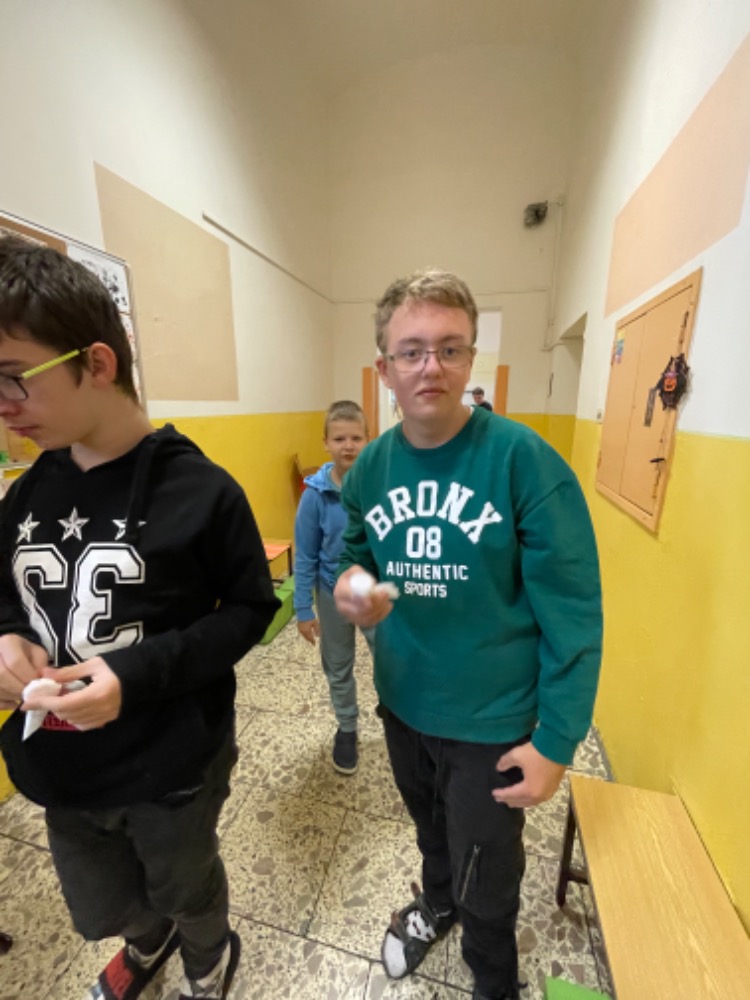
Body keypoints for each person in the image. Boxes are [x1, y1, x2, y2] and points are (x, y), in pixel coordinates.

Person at [0, 236, 280, 1000]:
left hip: (172, 768)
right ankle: (147, 940)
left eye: (15, 377)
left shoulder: (203, 493)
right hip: (63, 771)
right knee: (102, 906)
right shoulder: (26, 495)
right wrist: (6, 636)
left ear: (96, 362)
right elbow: (3, 590)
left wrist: (134, 676)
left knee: (185, 883)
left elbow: (250, 609)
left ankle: (208, 955)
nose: (3, 405)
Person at [334, 268, 602, 1000]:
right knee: (431, 831)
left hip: (491, 721)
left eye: (450, 349)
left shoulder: (524, 462)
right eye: (412, 351)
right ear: (384, 369)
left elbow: (574, 612)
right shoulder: (371, 466)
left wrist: (557, 741)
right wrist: (352, 582)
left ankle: (493, 977)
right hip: (404, 703)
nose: (432, 366)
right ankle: (436, 904)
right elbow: (355, 550)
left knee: (488, 865)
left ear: (471, 359)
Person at [294, 400, 372, 775]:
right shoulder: (315, 495)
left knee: (392, 661)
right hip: (330, 592)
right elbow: (305, 555)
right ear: (326, 442)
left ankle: (397, 715)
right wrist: (302, 608)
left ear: (368, 440)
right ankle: (347, 726)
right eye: (339, 438)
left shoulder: (380, 486)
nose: (348, 446)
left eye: (356, 438)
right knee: (338, 665)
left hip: (374, 592)